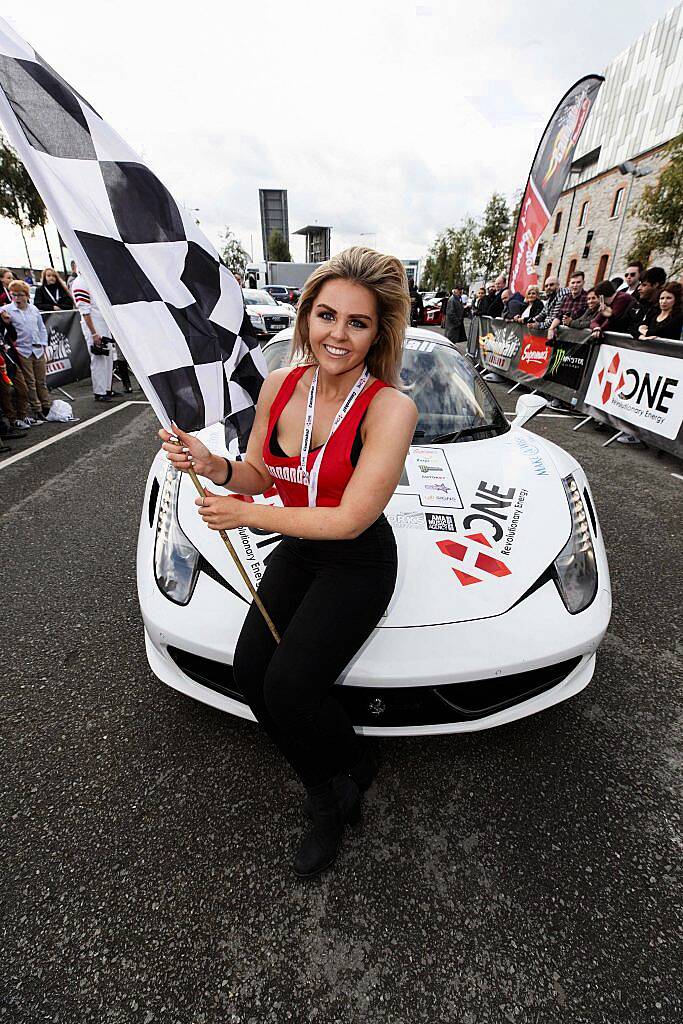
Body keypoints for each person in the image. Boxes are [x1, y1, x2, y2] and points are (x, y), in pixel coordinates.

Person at [159, 247, 417, 879]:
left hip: (357, 561)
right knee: (253, 671)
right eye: (327, 315)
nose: (338, 334)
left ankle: (328, 800)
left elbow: (350, 518)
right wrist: (211, 466)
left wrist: (246, 514)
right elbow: (257, 475)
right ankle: (350, 761)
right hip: (299, 546)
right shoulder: (279, 386)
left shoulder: (391, 408)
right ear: (306, 318)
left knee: (291, 686)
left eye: (357, 322)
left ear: (378, 332)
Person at [0, 280, 51, 420]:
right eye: (14, 295)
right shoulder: (6, 310)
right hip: (22, 350)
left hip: (38, 348)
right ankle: (37, 408)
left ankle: (46, 404)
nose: (17, 298)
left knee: (41, 380)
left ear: (27, 295)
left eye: (20, 294)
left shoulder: (33, 309)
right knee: (30, 381)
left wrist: (43, 344)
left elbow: (41, 328)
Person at [71, 271, 115, 402]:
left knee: (108, 357)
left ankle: (107, 388)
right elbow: (85, 311)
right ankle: (100, 391)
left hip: (103, 324)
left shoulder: (92, 281)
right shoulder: (80, 283)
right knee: (99, 358)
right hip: (94, 326)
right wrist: (94, 333)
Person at [546, 272, 588, 340]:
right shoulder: (566, 298)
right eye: (573, 283)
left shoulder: (588, 298)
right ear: (569, 284)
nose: (575, 285)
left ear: (583, 283)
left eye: (578, 282)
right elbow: (559, 315)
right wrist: (551, 328)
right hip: (563, 337)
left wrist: (571, 321)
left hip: (580, 338)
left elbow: (588, 319)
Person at [628, 266, 667, 337]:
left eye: (644, 285)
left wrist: (643, 332)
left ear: (655, 285)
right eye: (640, 285)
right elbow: (630, 327)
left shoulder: (661, 307)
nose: (639, 288)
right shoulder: (640, 304)